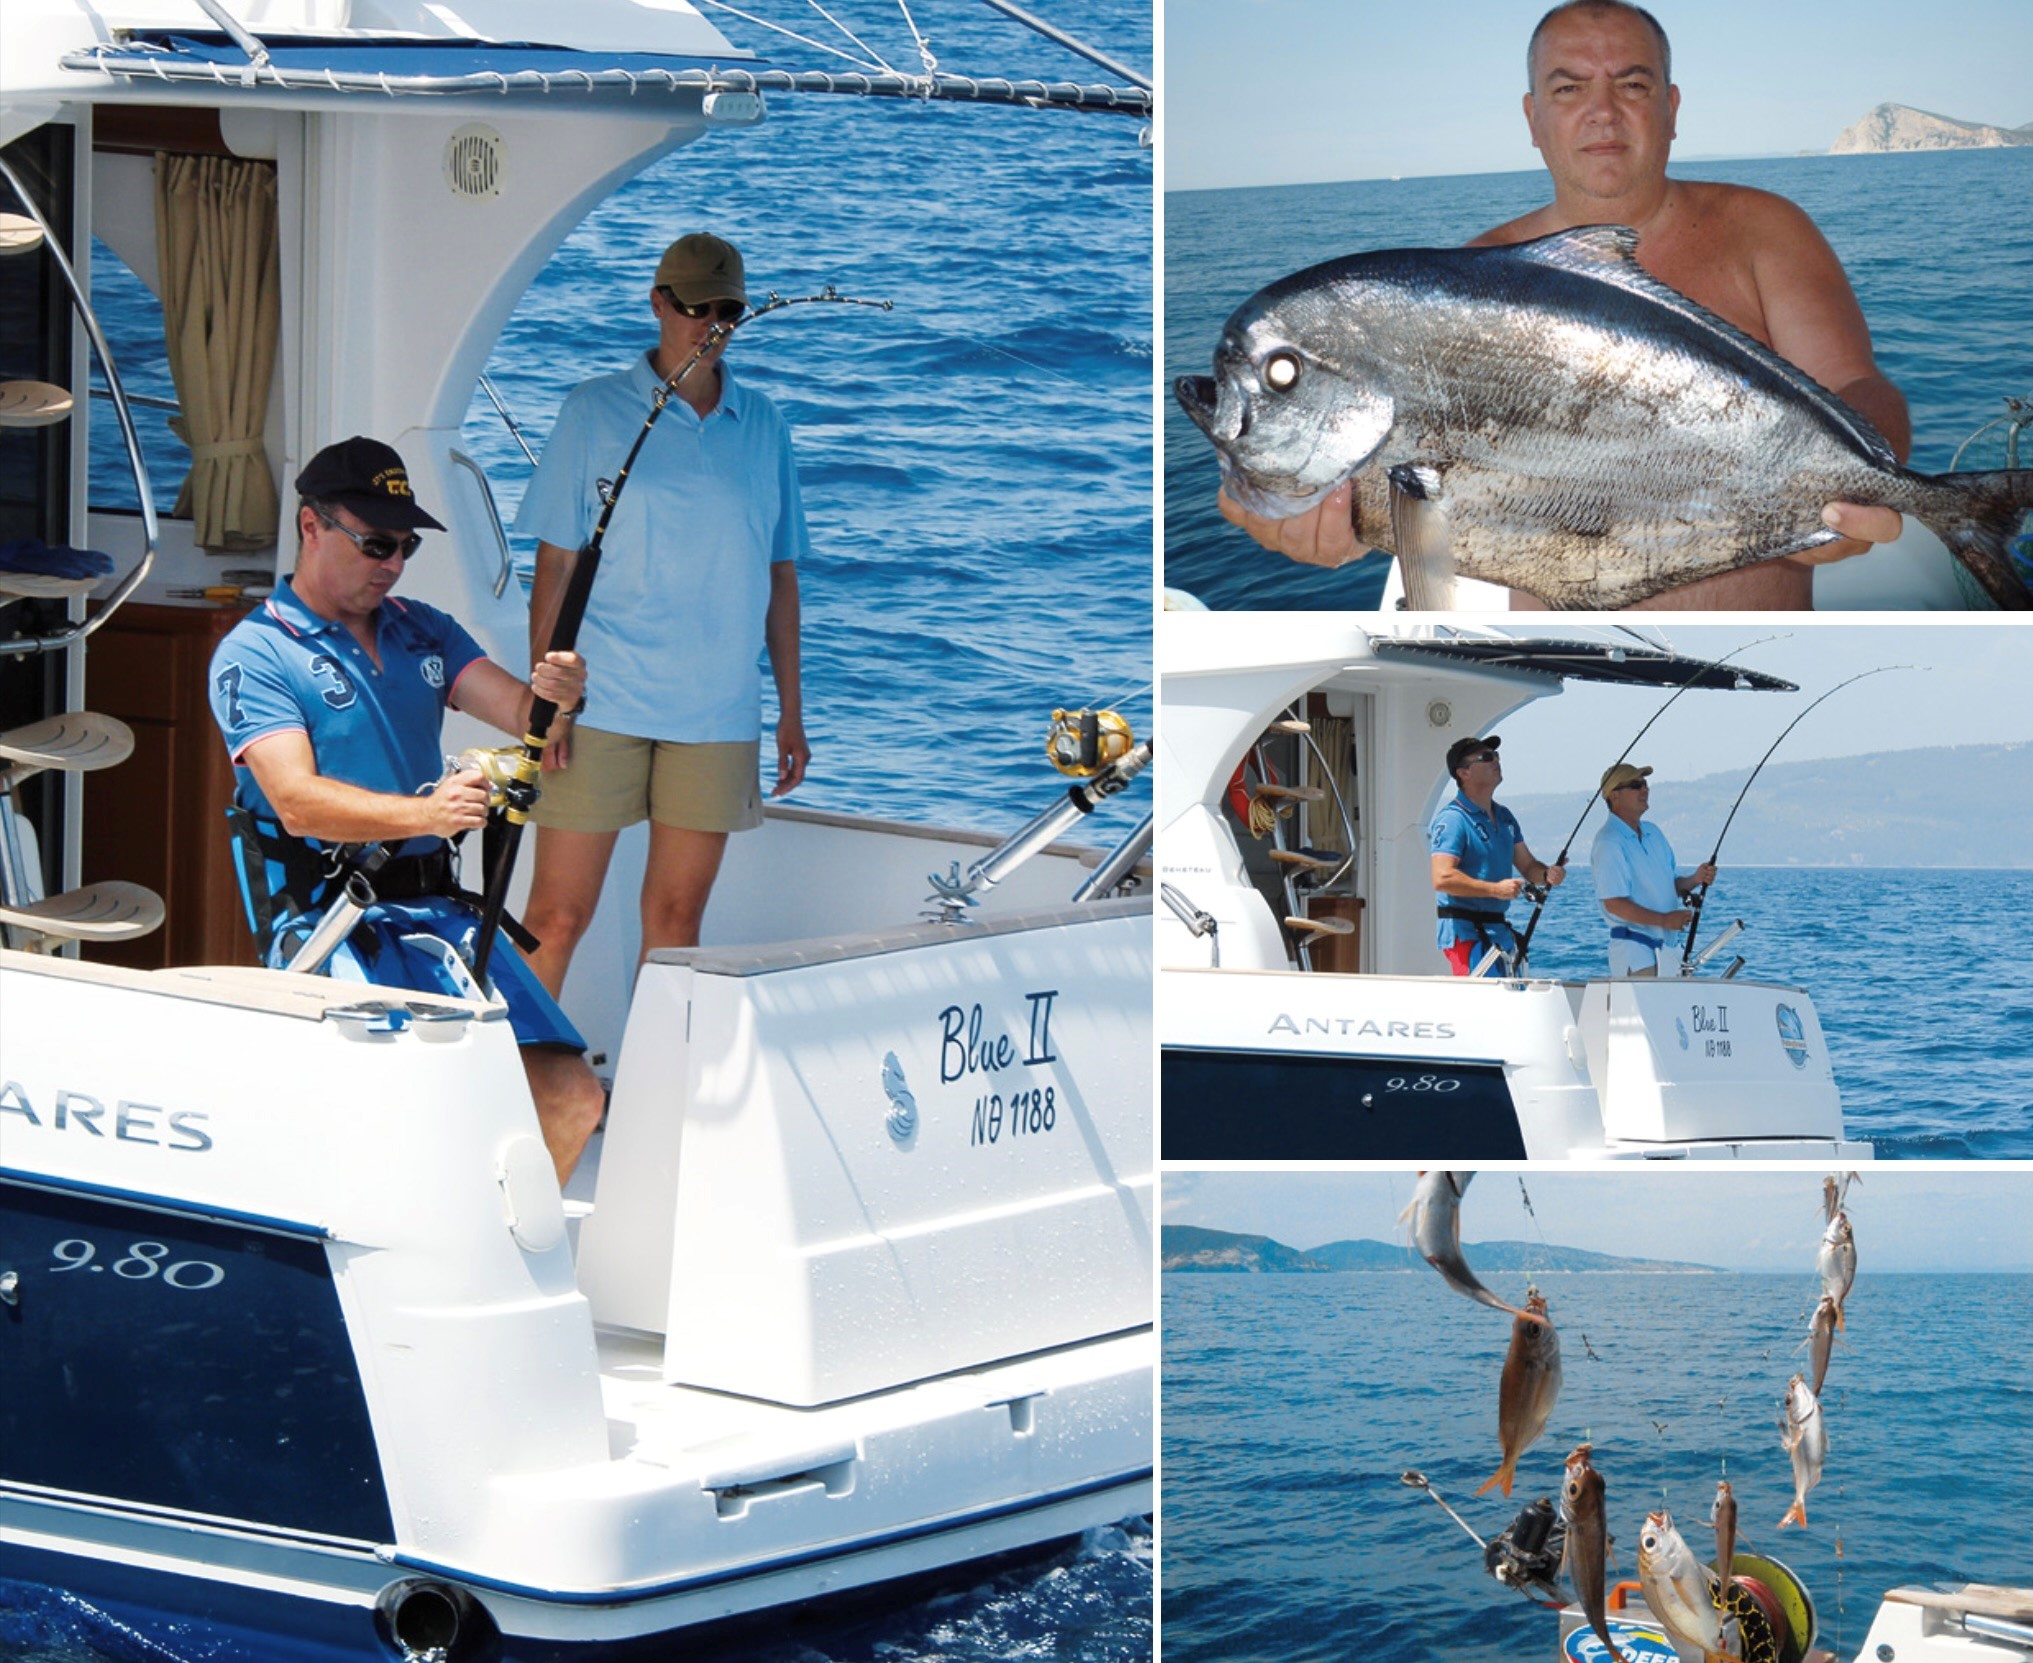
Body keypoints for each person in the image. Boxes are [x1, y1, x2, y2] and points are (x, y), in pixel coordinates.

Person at [1218, 0, 1907, 610]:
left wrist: (1862, 487)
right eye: (1568, 87)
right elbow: (1441, 495)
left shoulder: (1765, 229)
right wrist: (1345, 527)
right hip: (1565, 653)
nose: (1602, 112)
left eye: (1631, 84)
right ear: (1533, 117)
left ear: (1670, 108)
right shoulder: (1470, 285)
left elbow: (1855, 384)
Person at [208, 436, 606, 1182]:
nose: (392, 563)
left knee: (571, 1096)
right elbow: (294, 803)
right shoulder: (255, 651)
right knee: (403, 1120)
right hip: (332, 918)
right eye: (376, 543)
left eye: (406, 546)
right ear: (311, 526)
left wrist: (561, 696)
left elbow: (529, 718)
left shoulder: (423, 627)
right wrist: (427, 813)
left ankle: (488, 1265)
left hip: (438, 912)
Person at [515, 231, 811, 995]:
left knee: (677, 920)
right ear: (657, 303)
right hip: (598, 706)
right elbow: (554, 566)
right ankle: (516, 1085)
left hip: (715, 714)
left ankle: (653, 1097)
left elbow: (780, 577)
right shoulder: (592, 410)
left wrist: (790, 713)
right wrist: (544, 705)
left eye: (728, 310)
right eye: (694, 307)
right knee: (555, 914)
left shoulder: (765, 424)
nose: (711, 323)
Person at [1429, 734, 1566, 976]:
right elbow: (1442, 878)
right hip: (1465, 933)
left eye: (1496, 756)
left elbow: (1528, 865)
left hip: (1499, 933)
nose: (1496, 761)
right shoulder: (1453, 819)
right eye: (1486, 757)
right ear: (1464, 773)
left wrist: (1546, 874)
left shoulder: (1504, 817)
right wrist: (1495, 890)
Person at [1589, 761, 1717, 975]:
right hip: (1636, 953)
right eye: (1636, 785)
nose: (1645, 790)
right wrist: (1665, 920)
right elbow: (1614, 903)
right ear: (1614, 795)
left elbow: (1672, 884)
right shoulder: (1608, 842)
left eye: (1645, 784)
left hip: (1668, 953)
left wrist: (1696, 878)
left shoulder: (1653, 833)